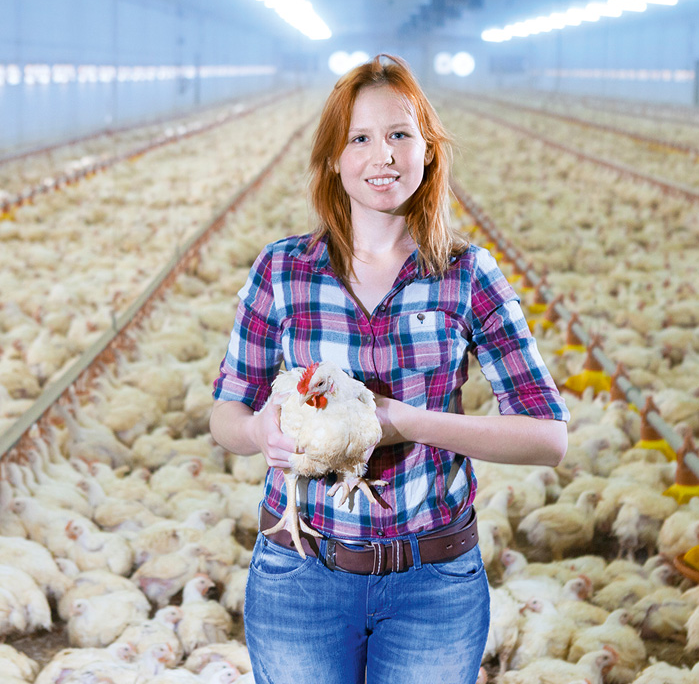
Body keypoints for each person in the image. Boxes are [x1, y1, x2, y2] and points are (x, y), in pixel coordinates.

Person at [209, 53, 570, 684]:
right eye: (361, 138)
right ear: (333, 159)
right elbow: (226, 412)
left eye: (401, 135)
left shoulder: (467, 274)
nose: (384, 156)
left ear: (428, 152)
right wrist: (258, 432)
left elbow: (548, 436)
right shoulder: (282, 270)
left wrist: (405, 422)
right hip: (301, 571)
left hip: (433, 583)